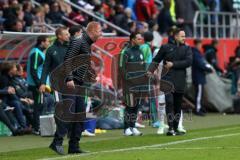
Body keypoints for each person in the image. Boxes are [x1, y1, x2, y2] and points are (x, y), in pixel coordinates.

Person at [63, 22, 102, 154]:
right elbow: (68, 59)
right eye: (100, 31)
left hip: (80, 83)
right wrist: (69, 78)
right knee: (71, 114)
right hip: (71, 82)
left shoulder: (86, 44)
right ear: (93, 31)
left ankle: (74, 146)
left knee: (80, 115)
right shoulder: (79, 41)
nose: (101, 34)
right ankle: (57, 141)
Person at [147, 28, 192, 136]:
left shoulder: (187, 49)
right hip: (167, 79)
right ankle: (170, 128)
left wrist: (173, 64)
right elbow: (156, 59)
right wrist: (150, 70)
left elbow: (188, 62)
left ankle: (176, 128)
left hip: (180, 80)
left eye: (184, 36)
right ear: (175, 36)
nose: (184, 38)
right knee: (169, 102)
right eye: (182, 36)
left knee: (177, 105)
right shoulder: (165, 47)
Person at [38, 26, 70, 155]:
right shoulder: (51, 50)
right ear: (59, 36)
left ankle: (56, 142)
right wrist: (42, 83)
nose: (68, 35)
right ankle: (58, 142)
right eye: (66, 34)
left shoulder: (69, 49)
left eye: (68, 33)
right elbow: (45, 68)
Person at [121, 32, 147, 136]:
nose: (141, 40)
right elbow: (121, 68)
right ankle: (126, 128)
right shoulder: (125, 52)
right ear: (133, 40)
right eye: (139, 39)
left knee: (136, 106)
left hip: (139, 85)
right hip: (129, 85)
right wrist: (129, 80)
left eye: (141, 38)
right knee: (129, 106)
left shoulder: (140, 51)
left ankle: (133, 126)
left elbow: (143, 67)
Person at [27, 35, 51, 134]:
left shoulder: (39, 52)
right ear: (42, 42)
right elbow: (34, 70)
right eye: (47, 41)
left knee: (40, 105)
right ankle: (37, 128)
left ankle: (37, 127)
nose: (49, 43)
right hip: (37, 85)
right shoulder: (36, 53)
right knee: (38, 106)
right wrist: (39, 84)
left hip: (41, 84)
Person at [192, 39, 213, 116]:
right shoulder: (196, 53)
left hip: (199, 76)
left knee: (200, 94)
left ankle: (199, 107)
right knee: (199, 94)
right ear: (197, 44)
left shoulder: (196, 53)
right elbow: (200, 64)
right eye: (200, 44)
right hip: (198, 77)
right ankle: (197, 109)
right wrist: (209, 69)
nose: (200, 46)